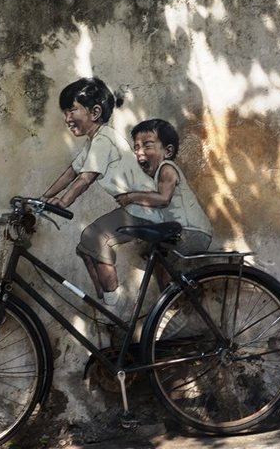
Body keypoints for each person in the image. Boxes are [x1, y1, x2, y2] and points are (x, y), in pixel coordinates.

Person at [40, 77, 162, 306]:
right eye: (65, 112)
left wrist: (63, 203)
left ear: (95, 112)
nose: (67, 119)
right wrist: (42, 198)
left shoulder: (104, 139)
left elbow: (85, 179)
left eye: (72, 110)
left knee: (95, 238)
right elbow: (71, 173)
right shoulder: (94, 141)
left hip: (145, 209)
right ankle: (103, 302)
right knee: (85, 247)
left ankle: (115, 307)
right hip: (135, 208)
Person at [116, 118, 212, 289]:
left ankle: (175, 296)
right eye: (136, 147)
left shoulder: (167, 168)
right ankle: (171, 297)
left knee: (159, 254)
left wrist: (131, 197)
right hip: (185, 231)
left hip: (193, 232)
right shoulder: (158, 173)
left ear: (167, 151)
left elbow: (163, 199)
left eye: (147, 146)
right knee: (156, 255)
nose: (139, 153)